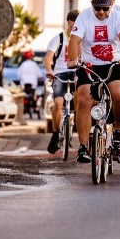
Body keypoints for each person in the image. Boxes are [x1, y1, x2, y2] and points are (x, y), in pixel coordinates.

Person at [66, 0, 120, 164]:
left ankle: (119, 132)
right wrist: (73, 60)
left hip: (114, 65)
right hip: (90, 65)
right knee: (83, 98)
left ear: (111, 6)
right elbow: (74, 40)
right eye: (98, 9)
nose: (101, 12)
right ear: (92, 6)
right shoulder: (84, 17)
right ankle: (83, 147)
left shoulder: (119, 17)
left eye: (105, 8)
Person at [43, 9, 80, 154]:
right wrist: (49, 70)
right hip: (60, 73)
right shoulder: (58, 38)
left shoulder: (81, 38)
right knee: (58, 104)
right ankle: (55, 133)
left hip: (77, 72)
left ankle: (80, 128)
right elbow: (48, 58)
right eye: (76, 22)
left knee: (80, 101)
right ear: (70, 22)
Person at [17, 51, 41, 120]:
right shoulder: (34, 64)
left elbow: (18, 75)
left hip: (24, 84)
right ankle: (35, 106)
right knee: (35, 96)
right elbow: (39, 75)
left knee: (23, 95)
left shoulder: (23, 64)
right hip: (33, 84)